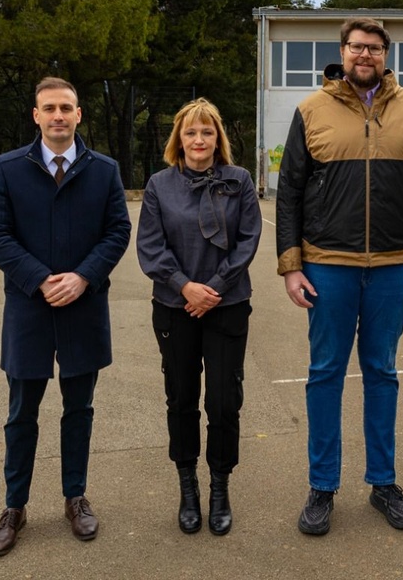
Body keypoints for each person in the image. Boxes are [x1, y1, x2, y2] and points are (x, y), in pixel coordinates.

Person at [276, 16, 403, 536]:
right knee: (325, 373)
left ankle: (383, 483)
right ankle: (322, 486)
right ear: (342, 52)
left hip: (394, 266)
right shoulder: (311, 110)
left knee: (382, 373)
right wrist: (291, 265)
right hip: (329, 264)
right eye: (355, 47)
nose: (364, 55)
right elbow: (290, 192)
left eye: (373, 48)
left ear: (385, 54)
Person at [0, 77, 132, 557]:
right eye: (50, 108)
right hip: (28, 308)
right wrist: (42, 278)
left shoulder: (104, 170)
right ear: (36, 116)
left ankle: (75, 497)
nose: (59, 116)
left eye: (66, 107)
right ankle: (14, 506)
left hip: (83, 308)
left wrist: (83, 277)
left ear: (79, 114)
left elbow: (117, 231)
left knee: (79, 410)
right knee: (21, 412)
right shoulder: (7, 169)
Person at [136, 98, 261, 537]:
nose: (199, 140)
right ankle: (187, 486)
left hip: (226, 306)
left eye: (207, 132)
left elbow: (248, 240)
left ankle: (219, 486)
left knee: (225, 402)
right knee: (182, 398)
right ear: (179, 138)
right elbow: (150, 247)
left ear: (218, 138)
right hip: (175, 307)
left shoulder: (239, 181)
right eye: (191, 132)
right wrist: (184, 286)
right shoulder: (159, 185)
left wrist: (216, 288)